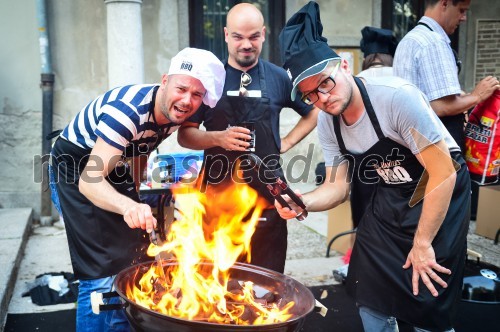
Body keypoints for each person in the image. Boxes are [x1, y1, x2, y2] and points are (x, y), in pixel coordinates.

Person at [278, 2, 471, 331]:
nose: (322, 98)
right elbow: (338, 186)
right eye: (310, 95)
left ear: (342, 65)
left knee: (427, 297)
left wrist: (422, 243)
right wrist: (303, 201)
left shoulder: (396, 98)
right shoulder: (328, 122)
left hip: (440, 186)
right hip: (393, 191)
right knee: (369, 290)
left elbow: (442, 172)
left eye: (325, 83)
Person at [50, 47, 225, 331]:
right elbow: (89, 181)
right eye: (181, 89)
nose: (187, 101)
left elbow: (142, 146)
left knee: (133, 253)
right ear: (165, 80)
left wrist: (134, 190)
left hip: (113, 163)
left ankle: (120, 323)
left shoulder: (174, 111)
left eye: (197, 95)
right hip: (76, 169)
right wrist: (128, 205)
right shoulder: (127, 111)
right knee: (99, 268)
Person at [177, 3, 319, 274]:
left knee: (268, 282)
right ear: (226, 35)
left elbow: (312, 113)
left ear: (263, 35)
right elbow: (185, 135)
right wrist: (219, 138)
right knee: (217, 282)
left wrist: (285, 143)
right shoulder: (210, 79)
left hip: (268, 196)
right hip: (218, 197)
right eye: (239, 37)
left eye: (253, 36)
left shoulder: (279, 78)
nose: (246, 44)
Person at [393, 0, 500, 151]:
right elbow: (440, 107)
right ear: (444, 4)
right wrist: (477, 96)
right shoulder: (433, 41)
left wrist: (464, 97)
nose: (464, 18)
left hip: (414, 146)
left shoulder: (409, 39)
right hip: (438, 148)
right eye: (461, 11)